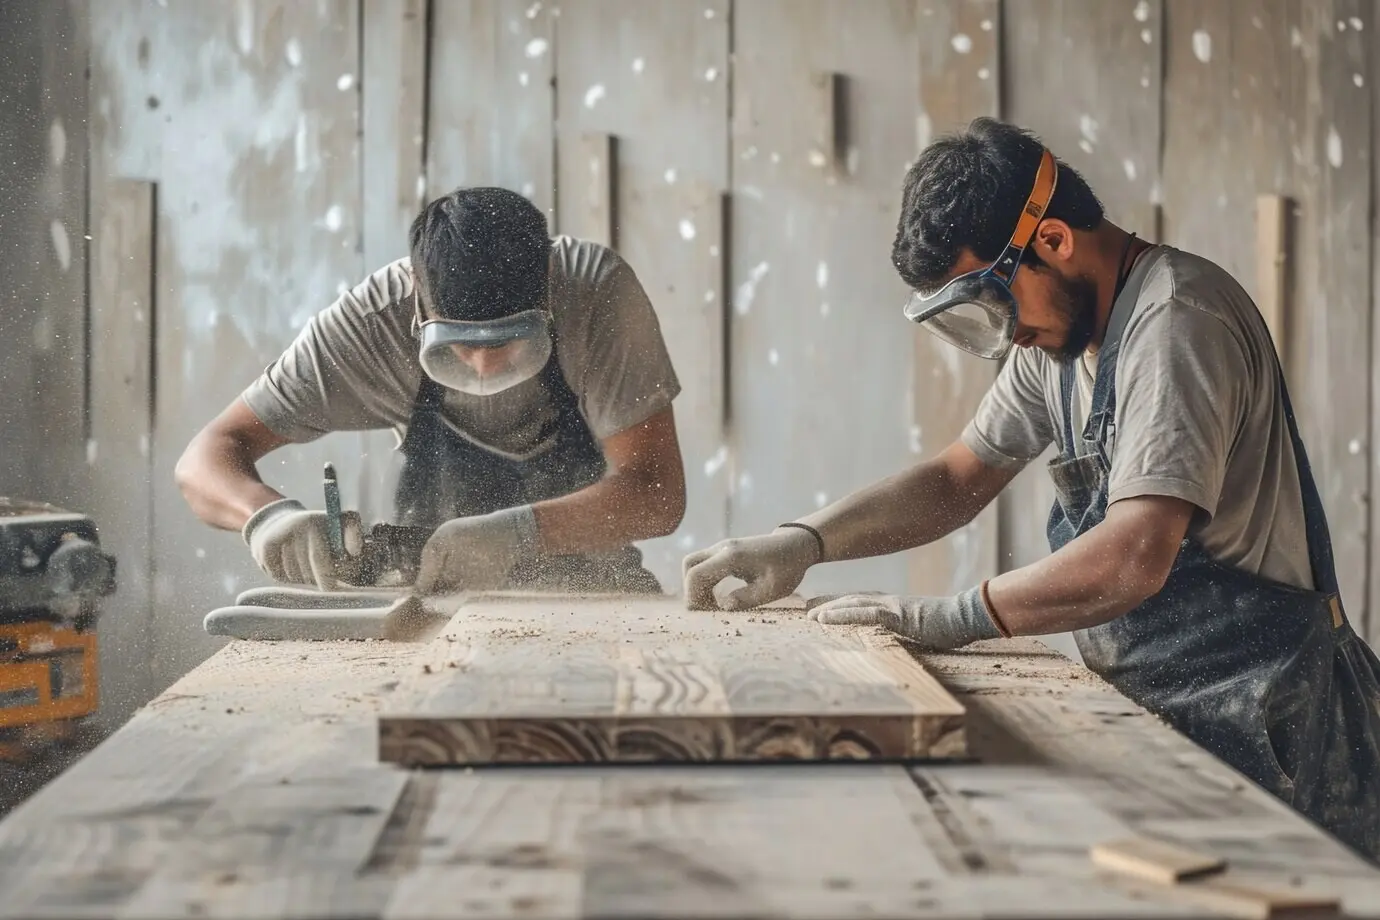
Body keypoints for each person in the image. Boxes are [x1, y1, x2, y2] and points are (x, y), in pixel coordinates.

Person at [682, 117, 1380, 860]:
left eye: (996, 301)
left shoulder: (1176, 322)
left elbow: (1136, 553)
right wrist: (806, 541)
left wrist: (944, 617)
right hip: (1179, 713)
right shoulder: (1061, 341)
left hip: (1277, 720)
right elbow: (957, 477)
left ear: (1051, 241)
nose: (1005, 333)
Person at [177, 186, 686, 596]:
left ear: (548, 285)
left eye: (510, 340)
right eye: (459, 345)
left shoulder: (597, 295)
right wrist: (266, 517)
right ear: (417, 296)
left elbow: (657, 495)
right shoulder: (369, 324)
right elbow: (206, 456)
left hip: (593, 594)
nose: (485, 367)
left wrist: (518, 534)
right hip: (427, 597)